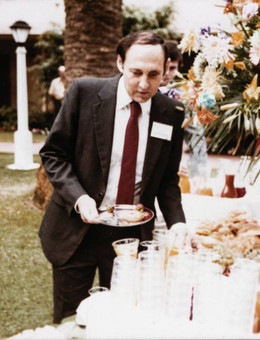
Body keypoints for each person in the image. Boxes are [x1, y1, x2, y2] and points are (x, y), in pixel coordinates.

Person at [38, 31, 187, 323]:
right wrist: (79, 198)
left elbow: (168, 180)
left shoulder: (172, 112)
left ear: (166, 71)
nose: (144, 84)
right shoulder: (84, 92)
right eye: (136, 73)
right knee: (73, 323)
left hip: (130, 238)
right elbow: (53, 154)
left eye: (154, 74)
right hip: (76, 230)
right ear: (120, 63)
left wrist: (178, 223)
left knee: (123, 322)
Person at [159, 40, 208, 178]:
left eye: (172, 68)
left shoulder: (183, 96)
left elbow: (196, 138)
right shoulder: (141, 90)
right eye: (164, 66)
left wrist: (199, 177)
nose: (166, 73)